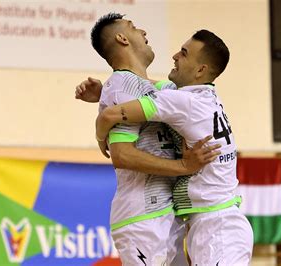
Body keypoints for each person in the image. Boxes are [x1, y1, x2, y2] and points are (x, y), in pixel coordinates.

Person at [95, 30, 254, 265]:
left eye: (184, 53)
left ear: (200, 70)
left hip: (218, 228)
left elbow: (110, 115)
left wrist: (100, 137)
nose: (175, 56)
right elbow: (146, 86)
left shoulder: (182, 102)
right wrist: (104, 91)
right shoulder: (203, 96)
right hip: (210, 224)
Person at [78, 13, 220, 265]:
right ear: (122, 38)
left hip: (165, 213)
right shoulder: (122, 85)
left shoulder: (147, 88)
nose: (143, 31)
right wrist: (183, 167)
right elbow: (122, 155)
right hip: (142, 217)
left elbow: (155, 94)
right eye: (133, 27)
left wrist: (102, 99)